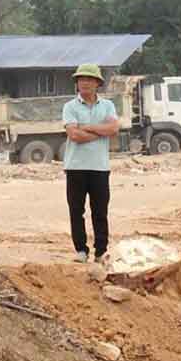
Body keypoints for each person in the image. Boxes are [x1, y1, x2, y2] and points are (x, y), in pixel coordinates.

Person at [61, 63, 120, 263]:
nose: (84, 83)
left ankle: (101, 251)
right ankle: (81, 250)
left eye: (89, 79)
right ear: (77, 83)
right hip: (75, 166)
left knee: (100, 211)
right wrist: (100, 132)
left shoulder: (108, 106)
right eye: (81, 79)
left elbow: (113, 129)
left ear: (97, 83)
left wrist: (89, 127)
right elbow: (74, 135)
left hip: (100, 167)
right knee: (76, 210)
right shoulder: (70, 106)